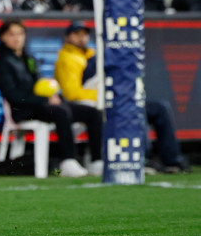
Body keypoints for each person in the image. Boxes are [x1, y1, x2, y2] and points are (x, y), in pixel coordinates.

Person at [54, 21, 189, 174]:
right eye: (76, 34)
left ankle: (173, 160)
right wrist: (107, 96)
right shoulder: (66, 58)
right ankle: (141, 157)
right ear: (67, 37)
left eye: (84, 34)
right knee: (133, 109)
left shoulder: (94, 54)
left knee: (159, 108)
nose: (82, 38)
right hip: (93, 104)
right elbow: (72, 93)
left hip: (112, 100)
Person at [0, 19, 102, 178]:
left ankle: (96, 161)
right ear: (3, 37)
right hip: (23, 110)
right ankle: (68, 161)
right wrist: (44, 99)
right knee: (60, 112)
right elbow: (13, 95)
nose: (17, 38)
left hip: (40, 104)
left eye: (20, 34)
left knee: (92, 113)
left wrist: (52, 95)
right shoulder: (1, 61)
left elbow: (39, 84)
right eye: (11, 34)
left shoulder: (27, 57)